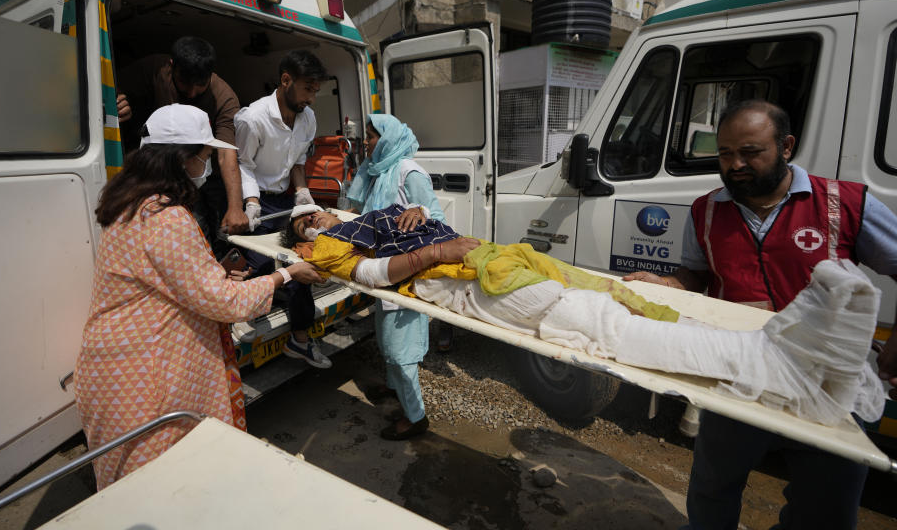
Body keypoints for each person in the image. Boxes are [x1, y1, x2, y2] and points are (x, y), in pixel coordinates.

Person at [282, 203, 883, 432]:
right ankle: (776, 362)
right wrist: (436, 251)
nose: (320, 221)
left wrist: (419, 223)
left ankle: (776, 351)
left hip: (501, 267)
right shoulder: (339, 250)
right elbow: (370, 277)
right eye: (308, 223)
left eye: (319, 213)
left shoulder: (378, 220)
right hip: (484, 288)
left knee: (615, 303)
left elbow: (408, 238)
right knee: (609, 326)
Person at [623, 99, 897, 530]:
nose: (735, 165)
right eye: (726, 154)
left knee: (825, 507)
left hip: (825, 386)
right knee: (713, 485)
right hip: (740, 374)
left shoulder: (843, 203)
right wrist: (670, 287)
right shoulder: (706, 209)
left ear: (786, 146)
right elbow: (694, 275)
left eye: (750, 152)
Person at [75, 104, 322, 489]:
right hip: (148, 377)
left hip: (120, 365)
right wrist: (285, 274)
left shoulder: (130, 202)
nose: (206, 166)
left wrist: (215, 272)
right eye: (204, 157)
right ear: (181, 159)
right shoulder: (165, 217)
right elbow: (225, 302)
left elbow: (166, 276)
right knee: (161, 487)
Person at [343, 114, 447, 439]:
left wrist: (422, 212)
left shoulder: (407, 172)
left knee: (401, 349)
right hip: (382, 271)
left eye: (372, 137)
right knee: (386, 335)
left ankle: (416, 418)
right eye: (366, 138)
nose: (366, 143)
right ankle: (395, 391)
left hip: (404, 273)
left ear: (387, 139)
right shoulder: (376, 172)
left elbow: (438, 218)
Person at [234, 49, 330, 368]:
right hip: (255, 199)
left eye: (315, 91)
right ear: (286, 80)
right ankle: (244, 324)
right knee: (258, 267)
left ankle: (299, 340)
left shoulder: (308, 118)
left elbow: (298, 161)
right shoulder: (253, 118)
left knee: (299, 262)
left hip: (285, 198)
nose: (311, 99)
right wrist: (250, 202)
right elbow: (243, 164)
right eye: (307, 89)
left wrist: (302, 191)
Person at [115, 36, 248, 249]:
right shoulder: (154, 68)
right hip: (155, 171)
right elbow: (111, 83)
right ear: (171, 66)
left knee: (202, 226)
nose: (192, 93)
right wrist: (118, 100)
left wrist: (235, 206)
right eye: (185, 84)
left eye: (200, 86)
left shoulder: (225, 98)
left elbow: (226, 154)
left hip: (198, 177)